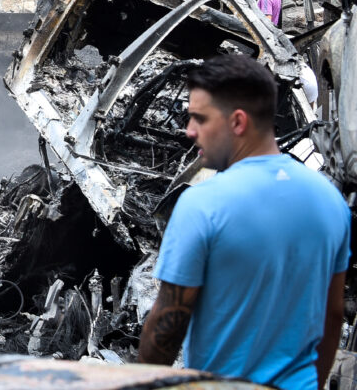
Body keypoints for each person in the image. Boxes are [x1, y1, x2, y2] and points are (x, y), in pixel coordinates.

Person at [138, 55, 348, 390]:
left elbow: (168, 323)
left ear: (237, 122)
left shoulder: (202, 203)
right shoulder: (331, 202)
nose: (189, 131)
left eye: (199, 119)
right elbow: (332, 315)